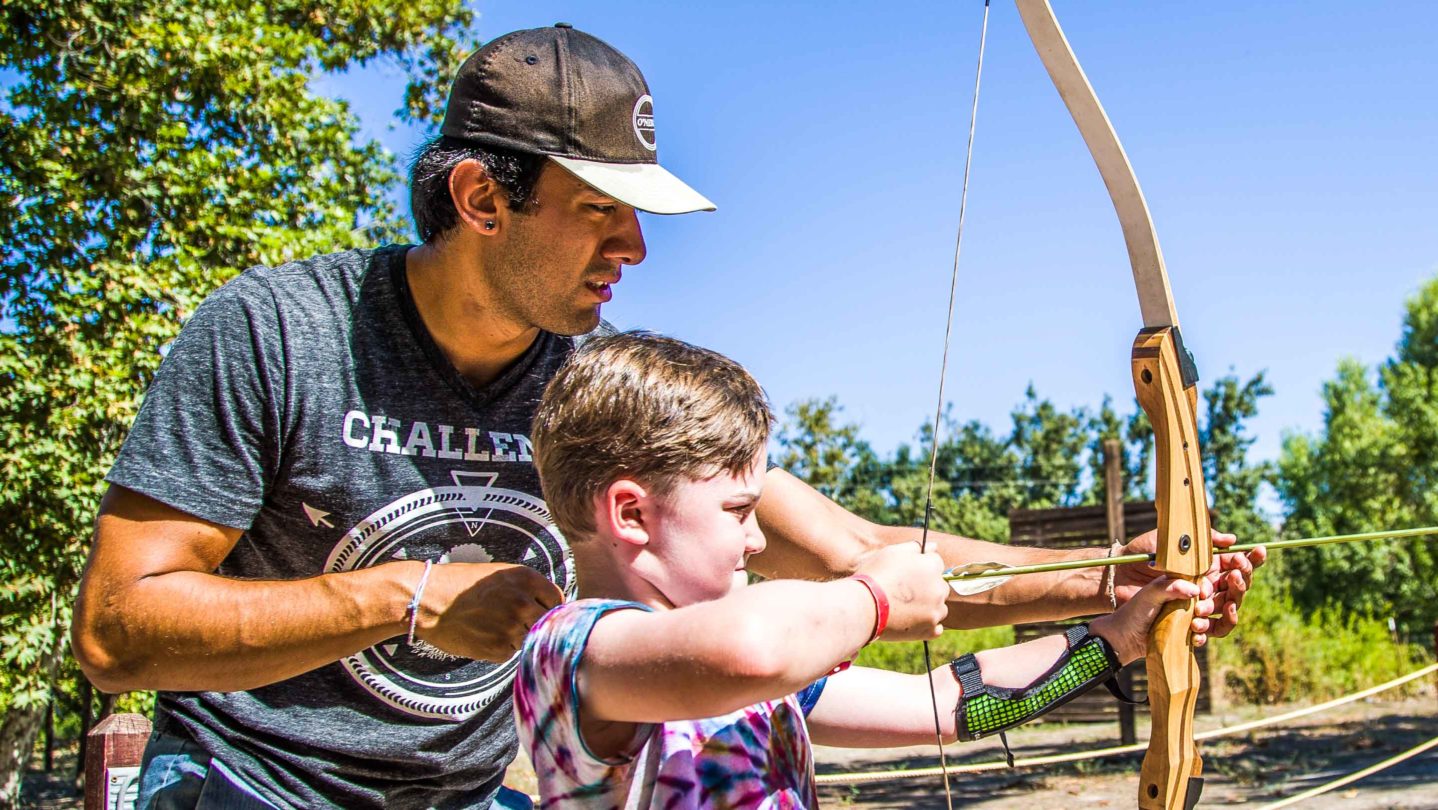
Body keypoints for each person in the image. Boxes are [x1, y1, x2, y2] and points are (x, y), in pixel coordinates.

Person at [69, 23, 1263, 810]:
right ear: (484, 197)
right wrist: (410, 598)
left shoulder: (594, 383)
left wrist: (1125, 583)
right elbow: (120, 631)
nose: (635, 247)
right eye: (601, 212)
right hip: (253, 787)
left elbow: (871, 565)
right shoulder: (278, 332)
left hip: (464, 789)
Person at [516, 330, 1220, 807]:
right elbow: (747, 648)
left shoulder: (775, 677)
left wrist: (1122, 633)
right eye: (737, 512)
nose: (758, 541)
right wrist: (877, 597)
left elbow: (946, 703)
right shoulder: (571, 650)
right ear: (632, 515)